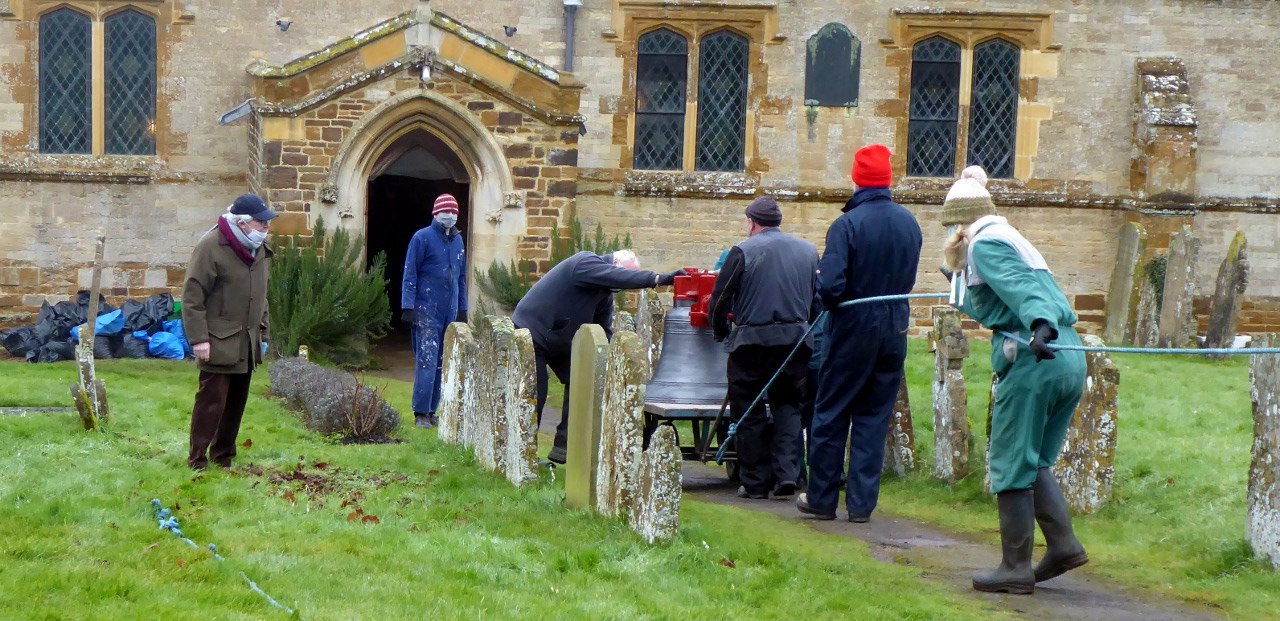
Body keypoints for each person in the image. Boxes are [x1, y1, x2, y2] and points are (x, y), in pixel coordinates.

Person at [940, 166, 1088, 595]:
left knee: (1009, 459)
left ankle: (1014, 567)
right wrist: (957, 285)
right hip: (1069, 358)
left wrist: (1041, 323)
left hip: (1034, 358)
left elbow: (1025, 292)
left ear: (959, 221)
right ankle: (1062, 545)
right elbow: (1004, 296)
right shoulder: (1011, 238)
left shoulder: (984, 244)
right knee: (1036, 458)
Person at [797, 144, 922, 522]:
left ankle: (821, 498)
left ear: (857, 178)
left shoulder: (847, 225)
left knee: (832, 410)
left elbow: (832, 288)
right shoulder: (909, 223)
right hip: (895, 323)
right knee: (873, 415)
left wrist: (822, 291)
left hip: (854, 324)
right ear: (887, 179)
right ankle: (861, 505)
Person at [513, 250, 684, 464]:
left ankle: (564, 448)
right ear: (612, 265)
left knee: (582, 381)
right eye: (617, 277)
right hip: (533, 332)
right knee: (536, 391)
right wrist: (658, 279)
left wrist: (616, 361)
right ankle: (523, 455)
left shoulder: (604, 296)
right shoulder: (584, 262)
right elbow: (619, 277)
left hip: (561, 338)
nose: (618, 286)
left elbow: (604, 332)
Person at [709, 196, 819, 500]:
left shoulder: (743, 251)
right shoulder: (808, 251)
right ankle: (787, 475)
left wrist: (721, 333)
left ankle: (756, 483)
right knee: (788, 407)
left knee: (748, 410)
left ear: (751, 222)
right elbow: (815, 300)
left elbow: (719, 300)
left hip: (752, 344)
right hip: (795, 343)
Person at [182, 194, 277, 470]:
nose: (266, 229)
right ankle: (197, 460)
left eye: (267, 223)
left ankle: (223, 457)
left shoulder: (259, 250)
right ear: (242, 223)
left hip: (247, 341)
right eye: (261, 223)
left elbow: (262, 296)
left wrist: (264, 335)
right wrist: (199, 339)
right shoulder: (210, 246)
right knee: (211, 403)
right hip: (217, 340)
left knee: (236, 404)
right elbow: (192, 296)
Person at [402, 194, 468, 429]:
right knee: (427, 360)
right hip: (426, 309)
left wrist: (463, 309)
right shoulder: (422, 238)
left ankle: (433, 410)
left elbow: (461, 278)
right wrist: (408, 306)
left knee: (442, 362)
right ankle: (420, 412)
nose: (449, 217)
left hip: (449, 310)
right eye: (444, 213)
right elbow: (410, 273)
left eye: (453, 213)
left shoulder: (458, 241)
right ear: (435, 214)